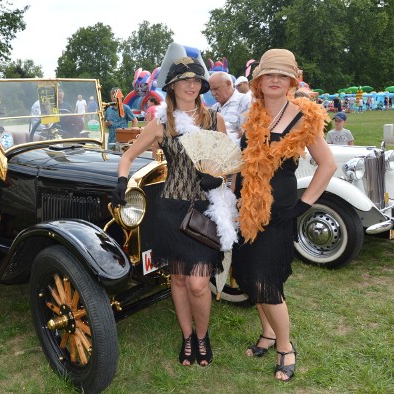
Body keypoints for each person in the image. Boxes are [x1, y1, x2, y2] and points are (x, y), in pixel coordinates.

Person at [113, 43, 227, 367]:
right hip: (171, 209)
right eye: (184, 81)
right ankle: (187, 336)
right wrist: (123, 181)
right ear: (172, 86)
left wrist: (218, 180)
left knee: (198, 282)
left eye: (196, 81)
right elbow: (127, 157)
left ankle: (203, 337)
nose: (191, 85)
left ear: (202, 86)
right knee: (178, 279)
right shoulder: (162, 124)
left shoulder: (215, 121)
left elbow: (230, 165)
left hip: (205, 210)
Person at [233, 49, 336, 381]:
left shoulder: (303, 117)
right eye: (268, 75)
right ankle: (267, 333)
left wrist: (303, 206)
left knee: (267, 282)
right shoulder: (254, 115)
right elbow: (243, 161)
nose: (274, 80)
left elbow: (328, 164)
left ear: (292, 81)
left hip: (279, 213)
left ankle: (286, 347)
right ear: (259, 82)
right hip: (246, 209)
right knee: (248, 276)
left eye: (281, 75)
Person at [209, 72, 251, 142]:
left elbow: (248, 131)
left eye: (216, 89)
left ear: (228, 84)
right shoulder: (214, 108)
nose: (213, 93)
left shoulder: (245, 101)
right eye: (211, 90)